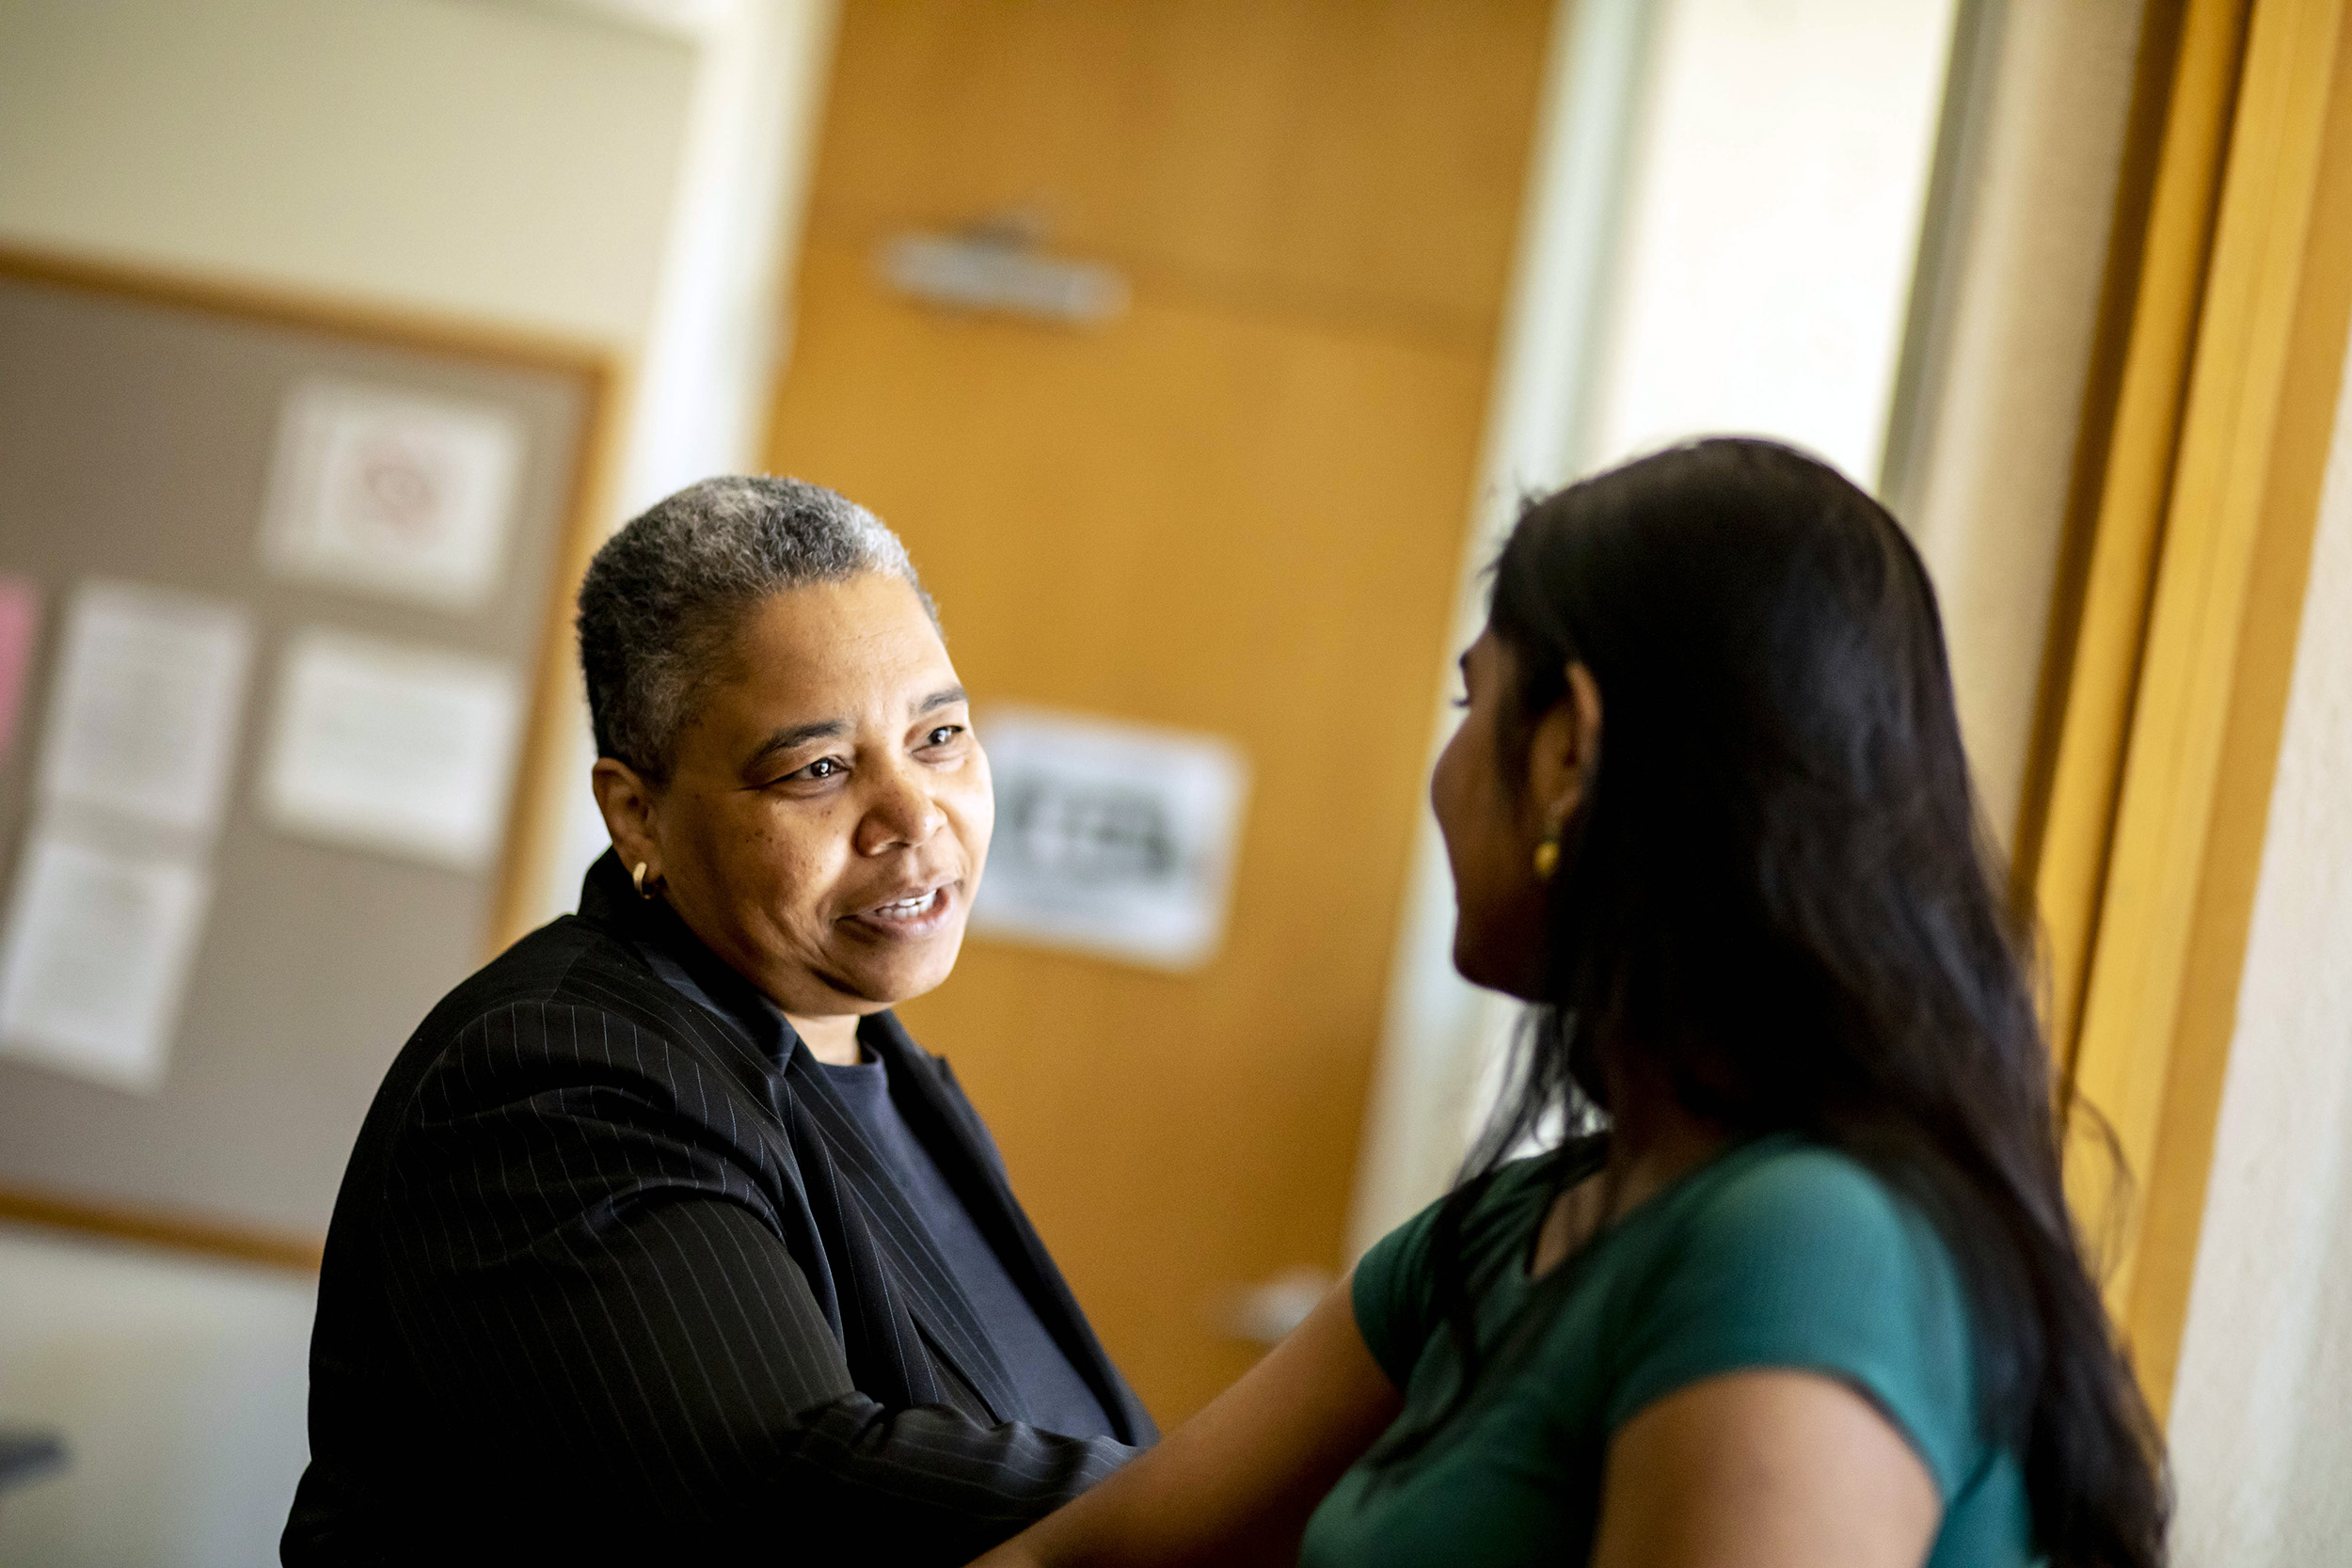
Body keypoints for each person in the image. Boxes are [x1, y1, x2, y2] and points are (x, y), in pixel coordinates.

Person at [970, 438, 2169, 1568]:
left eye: (1467, 705)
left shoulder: (1808, 1243)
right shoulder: (1509, 1231)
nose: (1444, 772)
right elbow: (1082, 1554)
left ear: (1566, 754)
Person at [284, 477, 1154, 1566]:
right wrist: (1251, 1499)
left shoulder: (877, 1057)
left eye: (939, 735)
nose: (913, 816)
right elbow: (782, 1480)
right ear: (636, 809)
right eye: (819, 768)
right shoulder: (559, 1075)